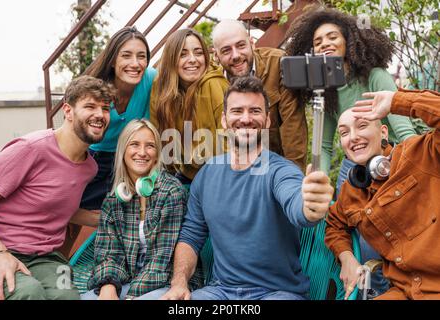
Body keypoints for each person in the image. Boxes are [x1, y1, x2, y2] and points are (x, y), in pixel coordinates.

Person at [139, 76, 334, 300]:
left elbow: (299, 207)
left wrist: (311, 206)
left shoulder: (281, 171)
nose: (245, 118)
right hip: (220, 292)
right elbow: (191, 236)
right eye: (237, 111)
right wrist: (179, 283)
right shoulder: (207, 174)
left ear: (268, 120)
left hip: (277, 294)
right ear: (224, 119)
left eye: (255, 111)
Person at [285, 8, 418, 296]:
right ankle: (369, 280)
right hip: (354, 161)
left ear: (349, 41)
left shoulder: (374, 76)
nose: (325, 44)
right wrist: (315, 174)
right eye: (318, 42)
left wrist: (415, 169)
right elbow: (324, 144)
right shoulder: (328, 90)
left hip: (389, 154)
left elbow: (404, 130)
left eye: (333, 36)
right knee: (346, 218)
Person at [0, 76, 115, 300]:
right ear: (68, 111)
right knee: (29, 293)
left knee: (67, 295)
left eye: (105, 108)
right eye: (90, 106)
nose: (100, 114)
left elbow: (57, 206)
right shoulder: (30, 149)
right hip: (0, 249)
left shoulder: (89, 168)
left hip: (46, 259)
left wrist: (105, 218)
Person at [325, 88, 440, 300]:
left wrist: (398, 101)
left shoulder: (419, 153)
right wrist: (347, 257)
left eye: (362, 126)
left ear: (384, 132)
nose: (353, 137)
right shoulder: (351, 191)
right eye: (344, 132)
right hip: (402, 292)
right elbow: (334, 224)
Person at [61, 26, 156, 257]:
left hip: (126, 158)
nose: (135, 63)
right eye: (126, 55)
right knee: (68, 221)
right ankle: (58, 266)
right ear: (113, 59)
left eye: (141, 56)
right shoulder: (96, 86)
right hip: (91, 155)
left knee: (133, 213)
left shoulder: (151, 78)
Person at [82, 119, 203, 300]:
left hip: (166, 281)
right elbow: (108, 253)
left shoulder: (172, 192)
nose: (142, 152)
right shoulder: (115, 198)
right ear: (123, 151)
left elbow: (162, 260)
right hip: (127, 280)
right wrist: (108, 286)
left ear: (157, 154)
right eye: (134, 144)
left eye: (150, 146)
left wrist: (130, 296)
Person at [211, 19, 308, 171]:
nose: (235, 55)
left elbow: (293, 127)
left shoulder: (278, 64)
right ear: (216, 55)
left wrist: (293, 177)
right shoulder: (212, 82)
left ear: (252, 43)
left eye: (241, 45)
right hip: (232, 168)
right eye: (226, 50)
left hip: (274, 165)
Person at [149, 28, 229, 185]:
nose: (192, 59)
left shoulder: (214, 84)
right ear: (171, 59)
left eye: (198, 53)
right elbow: (157, 136)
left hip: (220, 175)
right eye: (183, 54)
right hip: (184, 174)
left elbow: (229, 145)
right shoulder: (161, 89)